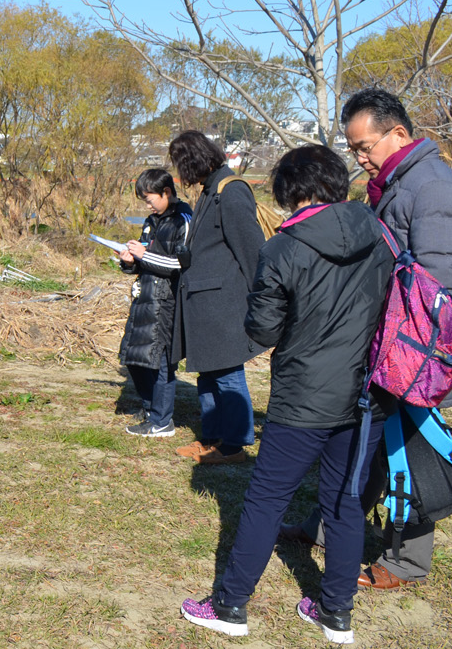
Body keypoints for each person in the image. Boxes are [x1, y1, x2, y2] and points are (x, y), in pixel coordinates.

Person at [181, 145, 393, 643]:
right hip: (367, 394)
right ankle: (335, 614)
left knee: (266, 500)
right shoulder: (381, 234)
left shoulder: (283, 248)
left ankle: (231, 605)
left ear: (291, 194)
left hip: (304, 395)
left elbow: (265, 327)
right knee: (344, 503)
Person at [280, 87, 452, 590]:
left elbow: (437, 286)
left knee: (408, 448)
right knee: (364, 442)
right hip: (383, 340)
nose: (359, 158)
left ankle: (406, 560)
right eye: (353, 148)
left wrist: (412, 354)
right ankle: (327, 529)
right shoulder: (399, 182)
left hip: (412, 350)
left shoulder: (433, 187)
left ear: (398, 134)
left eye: (364, 146)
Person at [168, 131, 265, 464]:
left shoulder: (231, 191)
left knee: (226, 373)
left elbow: (253, 254)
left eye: (181, 165)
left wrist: (264, 304)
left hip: (222, 304)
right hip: (204, 303)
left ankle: (235, 445)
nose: (180, 174)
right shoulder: (211, 190)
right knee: (207, 373)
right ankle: (211, 438)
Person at [117, 168, 192, 438]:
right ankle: (150, 410)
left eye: (150, 199)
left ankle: (162, 422)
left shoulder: (184, 219)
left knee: (161, 362)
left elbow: (180, 265)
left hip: (168, 302)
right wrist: (129, 260)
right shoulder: (151, 220)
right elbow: (144, 260)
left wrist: (145, 254)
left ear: (167, 192)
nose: (147, 205)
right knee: (134, 358)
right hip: (144, 297)